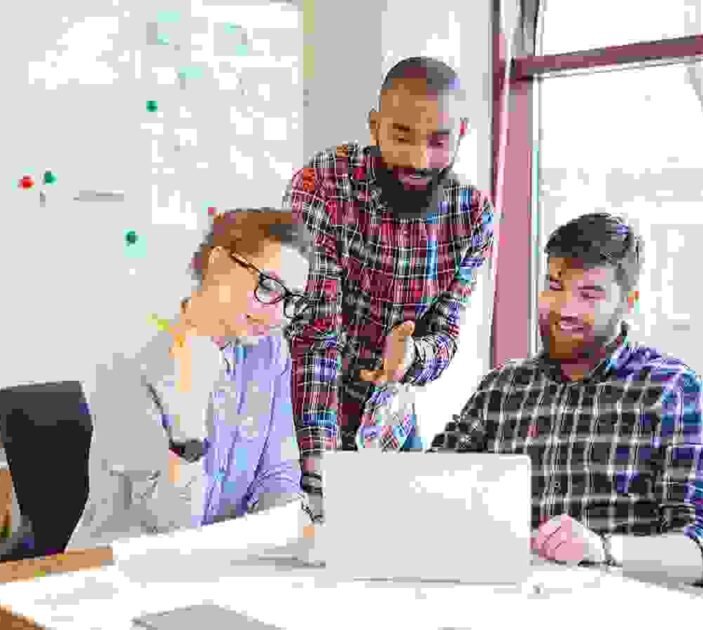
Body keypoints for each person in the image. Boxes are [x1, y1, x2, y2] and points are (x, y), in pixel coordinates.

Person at [429, 212, 703, 588]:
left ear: (628, 302)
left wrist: (602, 549)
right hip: (506, 600)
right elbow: (426, 491)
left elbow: (700, 553)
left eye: (589, 294)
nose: (565, 309)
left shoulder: (676, 391)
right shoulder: (500, 390)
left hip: (627, 607)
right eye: (555, 286)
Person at [282, 56, 496, 521]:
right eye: (401, 136)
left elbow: (446, 336)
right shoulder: (324, 184)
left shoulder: (473, 216)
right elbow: (314, 338)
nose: (419, 159)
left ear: (461, 134)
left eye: (438, 141)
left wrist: (412, 357)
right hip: (302, 423)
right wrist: (319, 471)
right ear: (375, 126)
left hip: (388, 427)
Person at [67, 208, 312, 549]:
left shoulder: (270, 351)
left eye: (292, 300)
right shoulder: (131, 353)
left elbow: (278, 473)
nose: (277, 316)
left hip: (220, 561)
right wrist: (188, 420)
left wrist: (285, 536)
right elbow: (167, 525)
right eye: (268, 286)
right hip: (120, 562)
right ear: (219, 265)